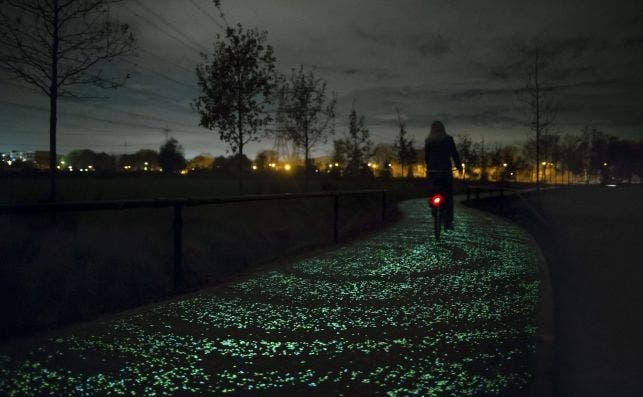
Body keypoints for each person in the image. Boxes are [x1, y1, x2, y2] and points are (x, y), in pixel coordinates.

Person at [425, 120, 462, 230]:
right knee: (448, 196)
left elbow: (426, 157)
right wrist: (459, 167)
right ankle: (448, 222)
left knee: (432, 191)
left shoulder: (428, 141)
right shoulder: (448, 139)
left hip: (432, 171)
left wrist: (429, 167)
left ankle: (433, 208)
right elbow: (454, 154)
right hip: (445, 171)